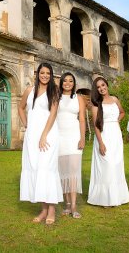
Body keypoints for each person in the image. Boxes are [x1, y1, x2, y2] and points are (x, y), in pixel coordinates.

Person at [18, 63, 62, 224]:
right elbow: (21, 108)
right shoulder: (29, 90)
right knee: (37, 170)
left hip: (48, 135)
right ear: (37, 74)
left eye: (48, 73)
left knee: (48, 169)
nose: (45, 75)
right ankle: (43, 210)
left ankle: (52, 210)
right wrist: (26, 125)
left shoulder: (54, 90)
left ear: (51, 75)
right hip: (32, 137)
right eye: (42, 73)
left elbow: (53, 114)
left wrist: (44, 135)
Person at [87, 76, 129, 207]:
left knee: (116, 164)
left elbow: (122, 112)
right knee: (107, 165)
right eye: (98, 87)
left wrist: (115, 121)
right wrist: (101, 143)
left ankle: (118, 197)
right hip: (104, 136)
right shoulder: (96, 104)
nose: (101, 88)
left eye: (103, 85)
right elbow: (96, 125)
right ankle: (104, 198)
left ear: (107, 85)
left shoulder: (115, 99)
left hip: (115, 136)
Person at [56, 72, 86, 218]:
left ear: (74, 84)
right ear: (61, 83)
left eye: (70, 81)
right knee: (63, 172)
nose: (67, 83)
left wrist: (82, 138)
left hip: (74, 137)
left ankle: (74, 205)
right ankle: (67, 204)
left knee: (73, 171)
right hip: (59, 137)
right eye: (65, 81)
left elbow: (82, 119)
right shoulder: (56, 97)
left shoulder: (79, 98)